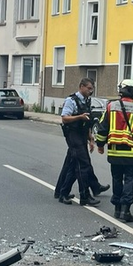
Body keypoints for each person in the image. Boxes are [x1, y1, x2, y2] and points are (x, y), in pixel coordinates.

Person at [95, 79, 133, 222]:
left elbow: (103, 127)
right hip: (131, 152)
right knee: (129, 180)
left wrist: (100, 144)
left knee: (116, 179)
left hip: (114, 151)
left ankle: (117, 209)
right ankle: (125, 211)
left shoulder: (111, 106)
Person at [54, 78, 109, 206]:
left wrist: (90, 139)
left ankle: (62, 192)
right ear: (81, 86)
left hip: (81, 135)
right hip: (73, 135)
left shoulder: (86, 101)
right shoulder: (71, 100)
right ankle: (85, 195)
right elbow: (65, 118)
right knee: (82, 165)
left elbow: (87, 122)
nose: (91, 91)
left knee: (72, 164)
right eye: (89, 88)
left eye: (92, 89)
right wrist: (79, 117)